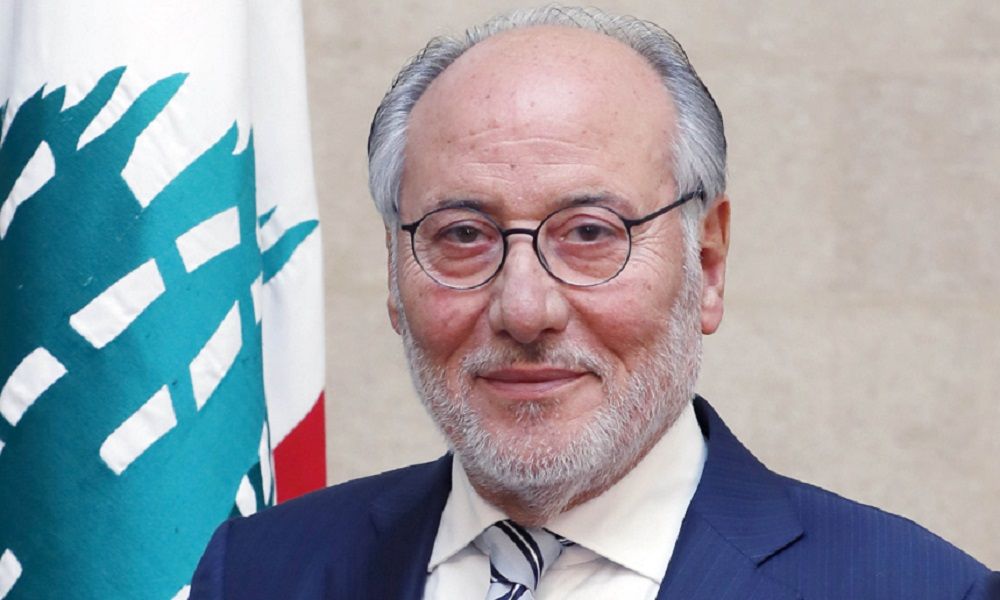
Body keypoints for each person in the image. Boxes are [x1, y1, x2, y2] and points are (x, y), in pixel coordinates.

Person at [190, 6, 998, 599]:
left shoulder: (923, 591)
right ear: (395, 273)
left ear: (708, 264)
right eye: (462, 234)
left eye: (589, 232)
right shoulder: (256, 574)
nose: (524, 308)